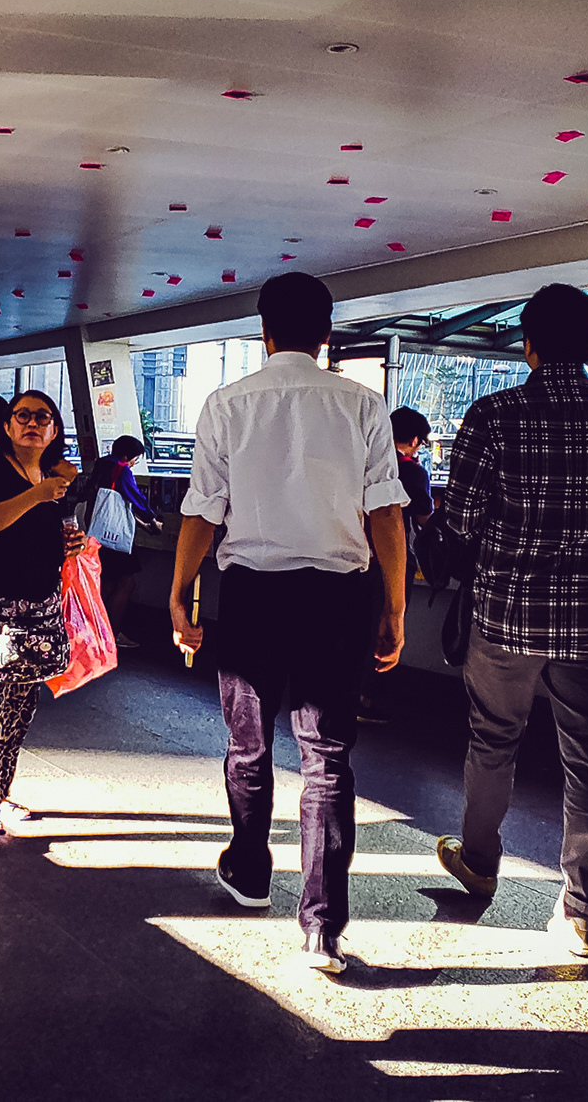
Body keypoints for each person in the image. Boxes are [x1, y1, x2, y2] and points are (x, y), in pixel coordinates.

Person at [169, 272, 410, 974]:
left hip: (251, 596)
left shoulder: (227, 404)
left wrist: (180, 593)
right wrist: (391, 608)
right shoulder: (364, 404)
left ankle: (248, 872)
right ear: (326, 335)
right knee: (327, 759)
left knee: (249, 746)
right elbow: (386, 513)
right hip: (338, 597)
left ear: (264, 332)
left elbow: (201, 510)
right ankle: (321, 929)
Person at [432, 283, 588, 960]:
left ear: (528, 342)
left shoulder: (493, 416)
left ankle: (478, 861)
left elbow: (462, 521)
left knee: (492, 739)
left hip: (506, 616)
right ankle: (582, 914)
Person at [0, 390, 82, 843]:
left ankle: (1, 792)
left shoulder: (48, 476)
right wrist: (37, 495)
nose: (32, 423)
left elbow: (36, 534)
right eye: (21, 415)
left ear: (54, 430)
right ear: (7, 427)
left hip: (37, 609)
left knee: (17, 709)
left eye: (42, 417)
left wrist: (67, 544)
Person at [359, 406, 434, 724]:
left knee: (355, 628)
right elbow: (425, 519)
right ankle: (365, 698)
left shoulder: (362, 462)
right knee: (385, 628)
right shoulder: (412, 472)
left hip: (354, 557)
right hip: (389, 561)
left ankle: (346, 694)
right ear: (415, 440)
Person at [81, 435, 164, 648]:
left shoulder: (101, 466)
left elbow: (116, 506)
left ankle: (93, 632)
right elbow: (135, 499)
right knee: (127, 583)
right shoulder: (121, 469)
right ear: (126, 456)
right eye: (135, 459)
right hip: (114, 539)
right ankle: (112, 634)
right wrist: (152, 520)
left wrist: (143, 525)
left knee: (107, 584)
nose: (134, 464)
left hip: (96, 534)